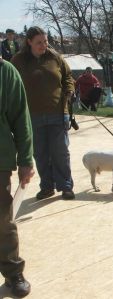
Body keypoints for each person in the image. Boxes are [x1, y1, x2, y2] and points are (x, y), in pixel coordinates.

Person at [11, 26, 75, 200]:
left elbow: (68, 77)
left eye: (45, 41)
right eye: (39, 42)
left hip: (57, 112)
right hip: (31, 116)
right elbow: (11, 81)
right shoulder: (18, 60)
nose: (43, 45)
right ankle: (46, 186)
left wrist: (69, 91)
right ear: (29, 42)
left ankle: (66, 186)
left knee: (60, 151)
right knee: (40, 153)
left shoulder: (55, 57)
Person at [0, 58, 34, 297]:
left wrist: (25, 160)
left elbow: (21, 118)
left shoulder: (5, 71)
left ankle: (13, 272)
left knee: (2, 220)